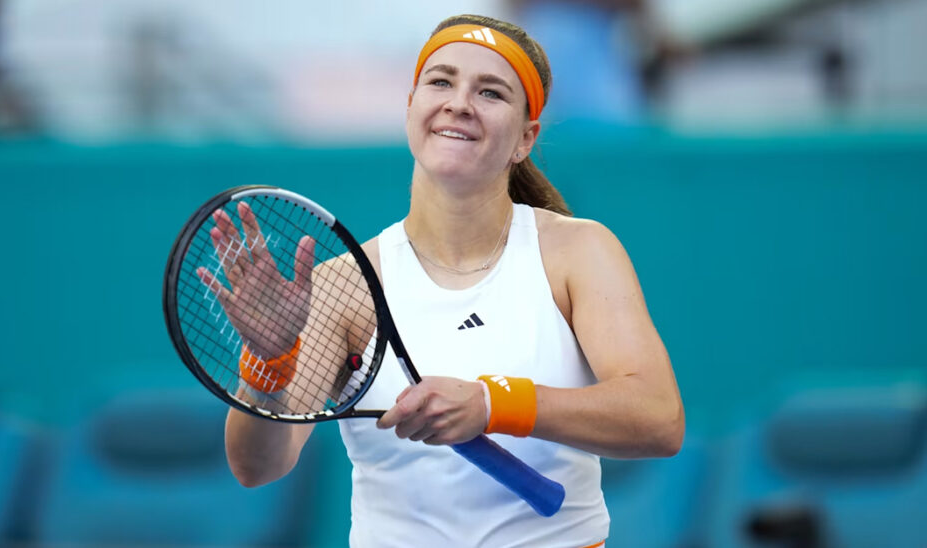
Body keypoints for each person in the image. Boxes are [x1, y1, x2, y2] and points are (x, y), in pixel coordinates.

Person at [219, 13, 684, 547]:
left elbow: (658, 419)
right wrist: (269, 363)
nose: (459, 103)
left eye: (490, 92)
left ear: (525, 138)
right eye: (441, 82)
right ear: (411, 108)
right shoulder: (345, 283)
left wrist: (492, 404)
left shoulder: (579, 252)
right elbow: (258, 466)